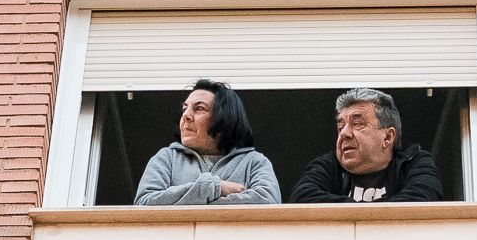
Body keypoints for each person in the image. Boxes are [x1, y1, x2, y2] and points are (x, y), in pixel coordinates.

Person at [135, 79, 281, 207]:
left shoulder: (254, 162)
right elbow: (144, 204)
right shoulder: (167, 158)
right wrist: (215, 187)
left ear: (225, 118)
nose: (186, 115)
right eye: (185, 108)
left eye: (199, 108)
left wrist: (188, 202)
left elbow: (268, 202)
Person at [290, 88, 444, 205]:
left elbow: (422, 201)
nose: (344, 133)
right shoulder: (328, 165)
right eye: (340, 127)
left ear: (388, 137)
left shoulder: (413, 162)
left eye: (357, 124)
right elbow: (302, 198)